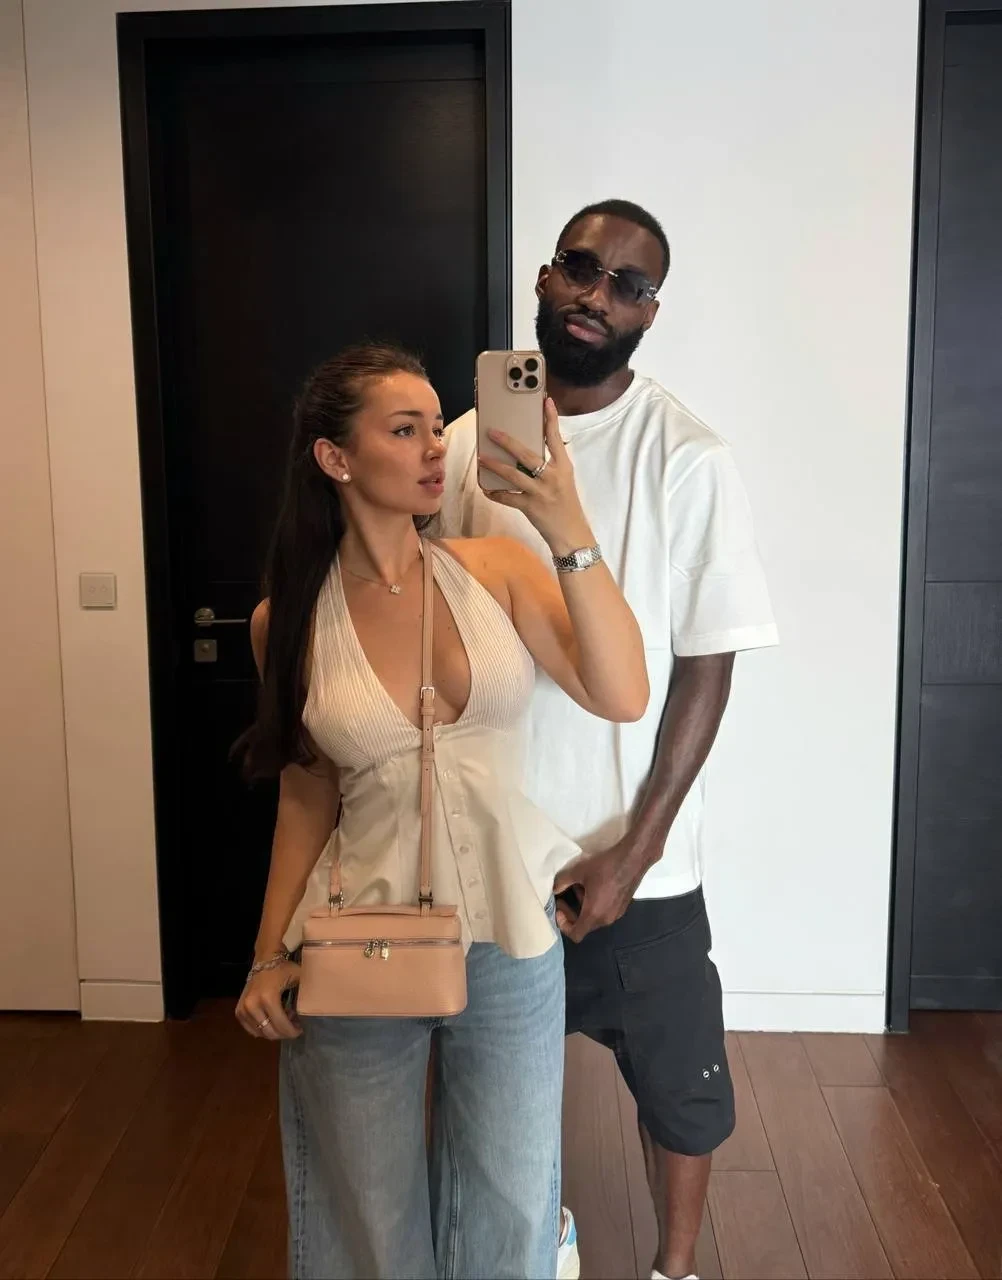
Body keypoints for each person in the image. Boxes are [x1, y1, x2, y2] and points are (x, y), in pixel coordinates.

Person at [235, 342, 648, 1280]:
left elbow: (623, 693)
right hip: (356, 936)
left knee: (513, 1199)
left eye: (436, 425)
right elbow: (306, 794)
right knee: (365, 1215)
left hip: (510, 936)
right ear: (335, 458)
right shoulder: (285, 621)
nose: (435, 448)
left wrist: (563, 519)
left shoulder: (497, 568)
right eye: (404, 429)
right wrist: (267, 955)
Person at [438, 199, 779, 1280]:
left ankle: (674, 1270)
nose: (597, 295)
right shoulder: (463, 444)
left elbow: (708, 660)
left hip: (637, 862)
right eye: (581, 268)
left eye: (628, 285)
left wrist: (637, 850)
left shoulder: (687, 456)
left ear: (650, 313)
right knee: (489, 1088)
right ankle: (534, 1242)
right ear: (546, 278)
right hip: (492, 854)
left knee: (682, 1092)